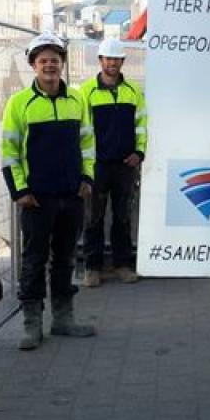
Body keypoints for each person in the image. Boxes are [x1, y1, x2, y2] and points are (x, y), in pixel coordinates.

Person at [1, 32, 96, 350]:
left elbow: (88, 143)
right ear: (33, 65)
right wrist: (20, 191)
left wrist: (87, 179)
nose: (49, 65)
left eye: (54, 60)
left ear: (62, 63)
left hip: (71, 195)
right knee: (33, 261)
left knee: (66, 259)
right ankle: (32, 325)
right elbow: (9, 153)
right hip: (36, 199)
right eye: (43, 60)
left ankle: (63, 319)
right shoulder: (18, 103)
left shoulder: (77, 100)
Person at [79, 38, 147, 287]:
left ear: (122, 61)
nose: (112, 63)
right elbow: (81, 130)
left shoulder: (133, 91)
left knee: (123, 217)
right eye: (108, 59)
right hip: (97, 166)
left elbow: (141, 124)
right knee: (93, 218)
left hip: (125, 166)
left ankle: (122, 265)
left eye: (116, 59)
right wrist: (86, 163)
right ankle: (92, 268)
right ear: (100, 60)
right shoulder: (86, 92)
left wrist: (139, 153)